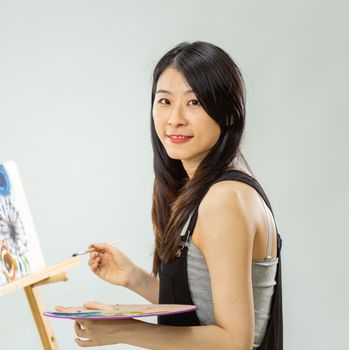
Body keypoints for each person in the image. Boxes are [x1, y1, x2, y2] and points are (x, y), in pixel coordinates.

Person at [57, 41, 283, 349]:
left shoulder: (225, 198)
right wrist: (134, 278)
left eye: (194, 103)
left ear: (229, 113)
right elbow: (204, 310)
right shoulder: (216, 187)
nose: (175, 118)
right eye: (164, 101)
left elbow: (234, 341)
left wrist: (125, 330)